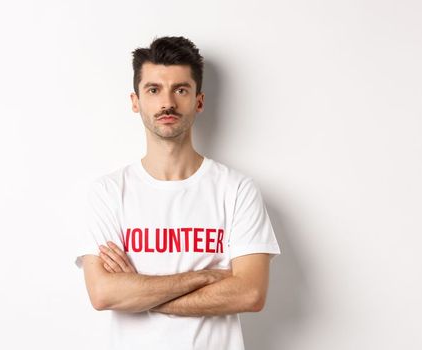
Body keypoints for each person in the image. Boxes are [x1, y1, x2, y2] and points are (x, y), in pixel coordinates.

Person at [74, 36, 281, 350]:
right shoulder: (108, 192)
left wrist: (138, 294)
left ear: (198, 101)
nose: (166, 102)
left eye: (180, 90)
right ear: (135, 101)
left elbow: (250, 294)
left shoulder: (236, 189)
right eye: (153, 90)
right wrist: (207, 277)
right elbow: (104, 294)